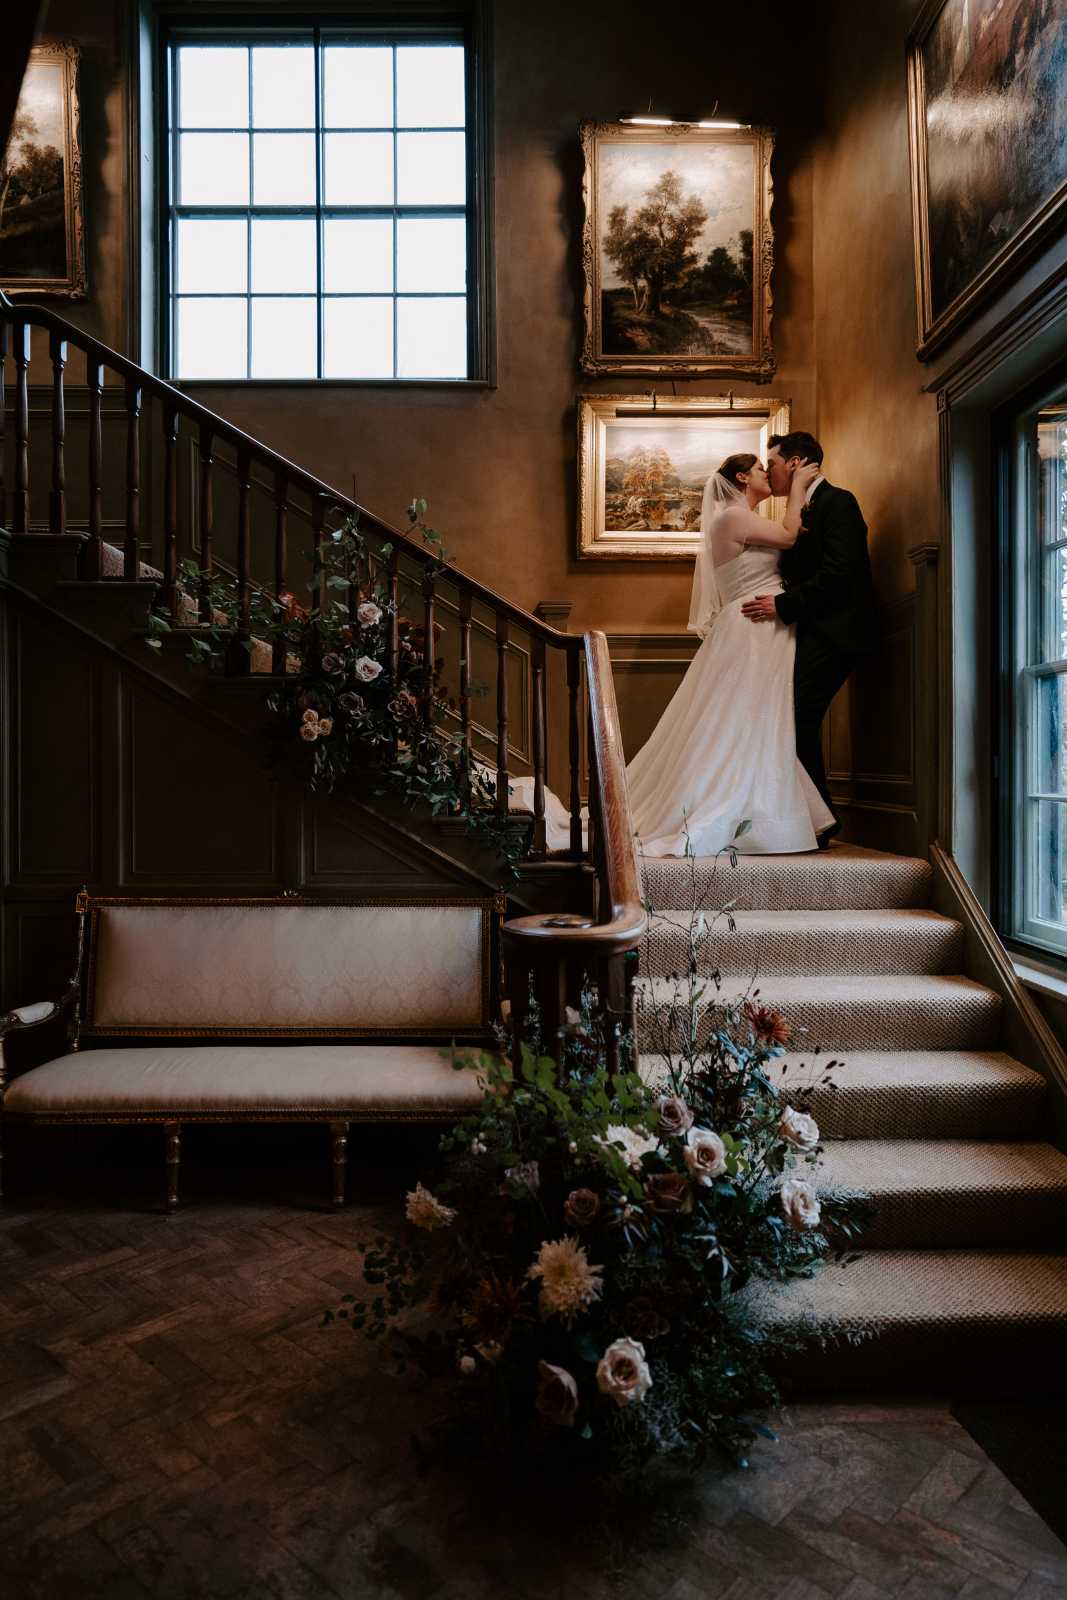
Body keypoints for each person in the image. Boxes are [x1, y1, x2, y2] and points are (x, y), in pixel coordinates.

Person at [514, 451, 835, 855]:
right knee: (747, 716)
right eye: (758, 468)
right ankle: (739, 809)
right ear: (741, 476)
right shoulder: (733, 517)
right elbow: (789, 537)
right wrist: (800, 488)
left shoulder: (740, 516)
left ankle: (765, 806)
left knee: (757, 717)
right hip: (754, 625)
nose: (765, 473)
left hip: (764, 625)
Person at [740, 431, 877, 847]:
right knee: (794, 717)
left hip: (836, 633)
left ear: (795, 463)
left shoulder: (839, 502)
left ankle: (820, 821)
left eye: (775, 463)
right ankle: (814, 818)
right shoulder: (799, 508)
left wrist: (781, 607)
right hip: (808, 631)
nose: (771, 471)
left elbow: (839, 574)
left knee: (797, 716)